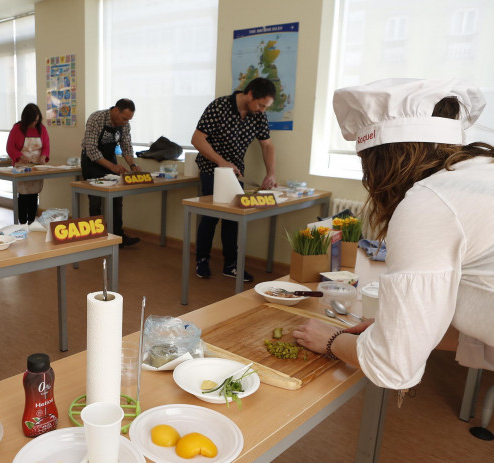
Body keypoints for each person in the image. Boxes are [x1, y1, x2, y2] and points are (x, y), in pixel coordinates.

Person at [293, 78, 494, 394]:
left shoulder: (429, 201)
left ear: (380, 161)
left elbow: (393, 367)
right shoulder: (478, 171)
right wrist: (389, 329)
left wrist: (330, 340)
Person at [192, 77, 278, 282]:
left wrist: (271, 173)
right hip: (211, 169)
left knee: (233, 218)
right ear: (250, 95)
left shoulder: (258, 116)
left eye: (266, 107)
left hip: (236, 173)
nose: (262, 110)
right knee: (211, 216)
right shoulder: (219, 107)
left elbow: (267, 146)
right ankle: (202, 259)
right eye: (261, 104)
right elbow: (197, 139)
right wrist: (221, 162)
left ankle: (231, 264)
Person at [80, 98, 141, 247]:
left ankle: (118, 237)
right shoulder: (96, 119)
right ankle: (96, 239)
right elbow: (91, 149)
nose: (126, 122)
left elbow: (126, 147)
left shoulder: (125, 125)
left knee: (116, 199)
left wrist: (133, 165)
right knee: (96, 201)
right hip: (92, 162)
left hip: (109, 159)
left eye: (129, 119)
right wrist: (112, 167)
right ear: (115, 110)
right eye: (124, 118)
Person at [6, 103, 50, 224]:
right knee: (23, 195)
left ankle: (31, 221)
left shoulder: (42, 129)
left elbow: (46, 145)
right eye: (33, 121)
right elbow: (10, 147)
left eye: (37, 120)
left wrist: (43, 156)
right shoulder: (17, 129)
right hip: (21, 166)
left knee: (34, 194)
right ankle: (22, 221)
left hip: (36, 166)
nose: (35, 123)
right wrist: (20, 156)